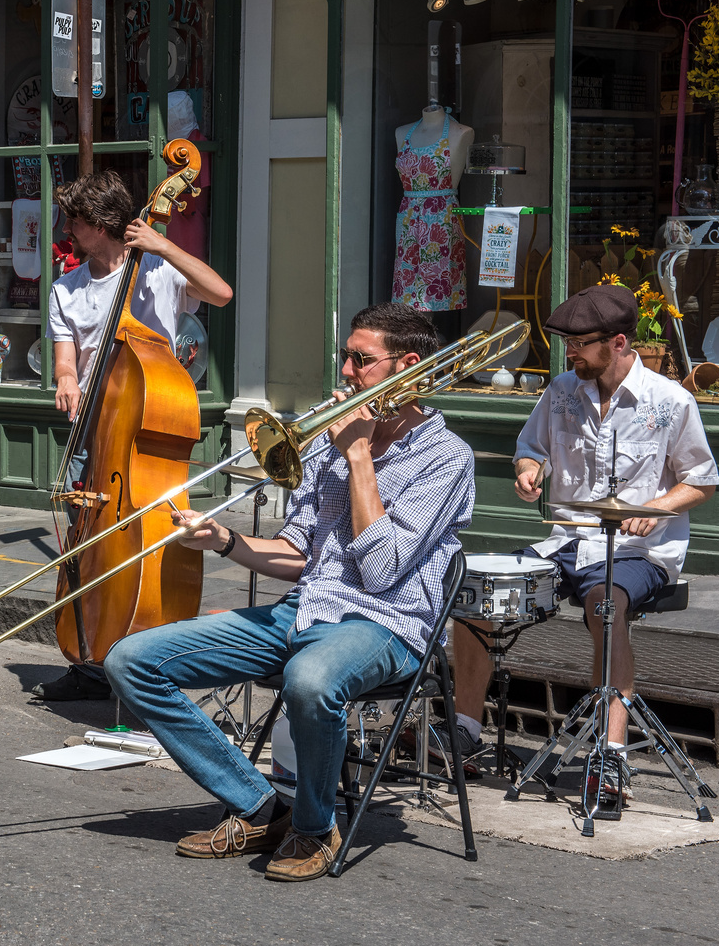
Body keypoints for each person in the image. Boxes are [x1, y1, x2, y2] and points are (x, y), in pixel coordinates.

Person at [103, 303, 474, 882]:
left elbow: (380, 572)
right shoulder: (327, 442)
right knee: (131, 661)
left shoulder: (446, 458)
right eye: (345, 356)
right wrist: (224, 540)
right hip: (306, 611)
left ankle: (313, 824)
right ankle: (258, 806)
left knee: (311, 679)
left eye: (361, 360)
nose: (346, 371)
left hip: (386, 625)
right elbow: (299, 556)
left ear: (408, 366)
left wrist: (358, 457)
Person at [447, 284, 718, 804]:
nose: (570, 353)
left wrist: (657, 509)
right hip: (567, 541)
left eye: (580, 344)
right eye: (566, 344)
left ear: (618, 342)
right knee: (476, 591)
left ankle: (610, 754)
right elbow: (530, 447)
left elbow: (701, 480)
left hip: (640, 551)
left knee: (605, 605)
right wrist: (531, 470)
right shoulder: (561, 393)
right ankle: (465, 730)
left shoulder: (670, 401)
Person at [34, 168, 234, 702]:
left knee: (155, 541)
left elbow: (220, 293)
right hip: (94, 429)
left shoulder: (159, 272)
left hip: (145, 426)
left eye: (75, 220)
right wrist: (68, 382)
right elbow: (64, 358)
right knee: (84, 546)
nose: (68, 229)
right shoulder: (66, 288)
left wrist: (162, 245)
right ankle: (87, 658)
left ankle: (148, 652)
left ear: (101, 224)